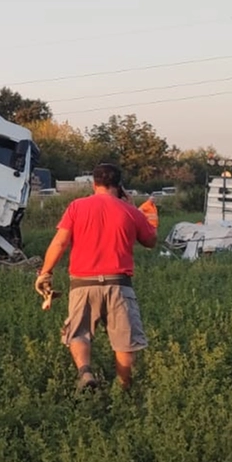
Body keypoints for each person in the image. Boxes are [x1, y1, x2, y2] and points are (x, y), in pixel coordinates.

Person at [35, 163, 157, 392]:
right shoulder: (130, 212)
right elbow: (151, 241)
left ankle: (85, 372)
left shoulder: (77, 207)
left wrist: (45, 272)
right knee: (124, 341)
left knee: (78, 333)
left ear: (94, 183)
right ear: (120, 186)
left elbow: (60, 242)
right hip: (119, 285)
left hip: (82, 283)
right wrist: (135, 210)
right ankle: (124, 389)